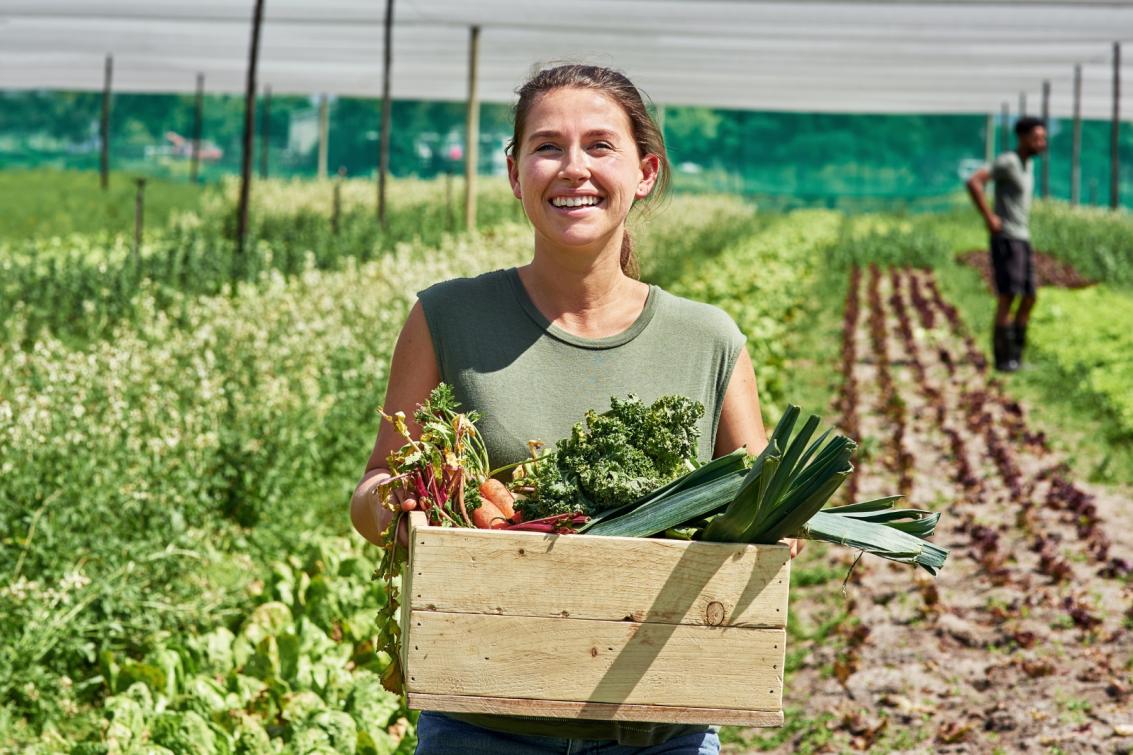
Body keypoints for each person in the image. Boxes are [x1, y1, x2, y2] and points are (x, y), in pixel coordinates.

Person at [349, 64, 801, 754]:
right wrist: (400, 508)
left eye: (599, 146)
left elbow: (772, 524)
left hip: (659, 728)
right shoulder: (446, 316)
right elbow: (373, 485)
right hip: (481, 718)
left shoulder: (708, 339)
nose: (572, 169)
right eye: (546, 146)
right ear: (513, 171)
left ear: (644, 171)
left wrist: (775, 529)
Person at [964, 116, 1048, 372]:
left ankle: (1017, 355)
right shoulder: (1009, 161)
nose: (1041, 143)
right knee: (1008, 296)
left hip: (1022, 236)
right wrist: (990, 218)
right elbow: (974, 181)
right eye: (1036, 138)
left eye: (1043, 138)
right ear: (1022, 137)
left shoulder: (1027, 164)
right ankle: (1004, 360)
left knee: (1030, 296)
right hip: (1007, 237)